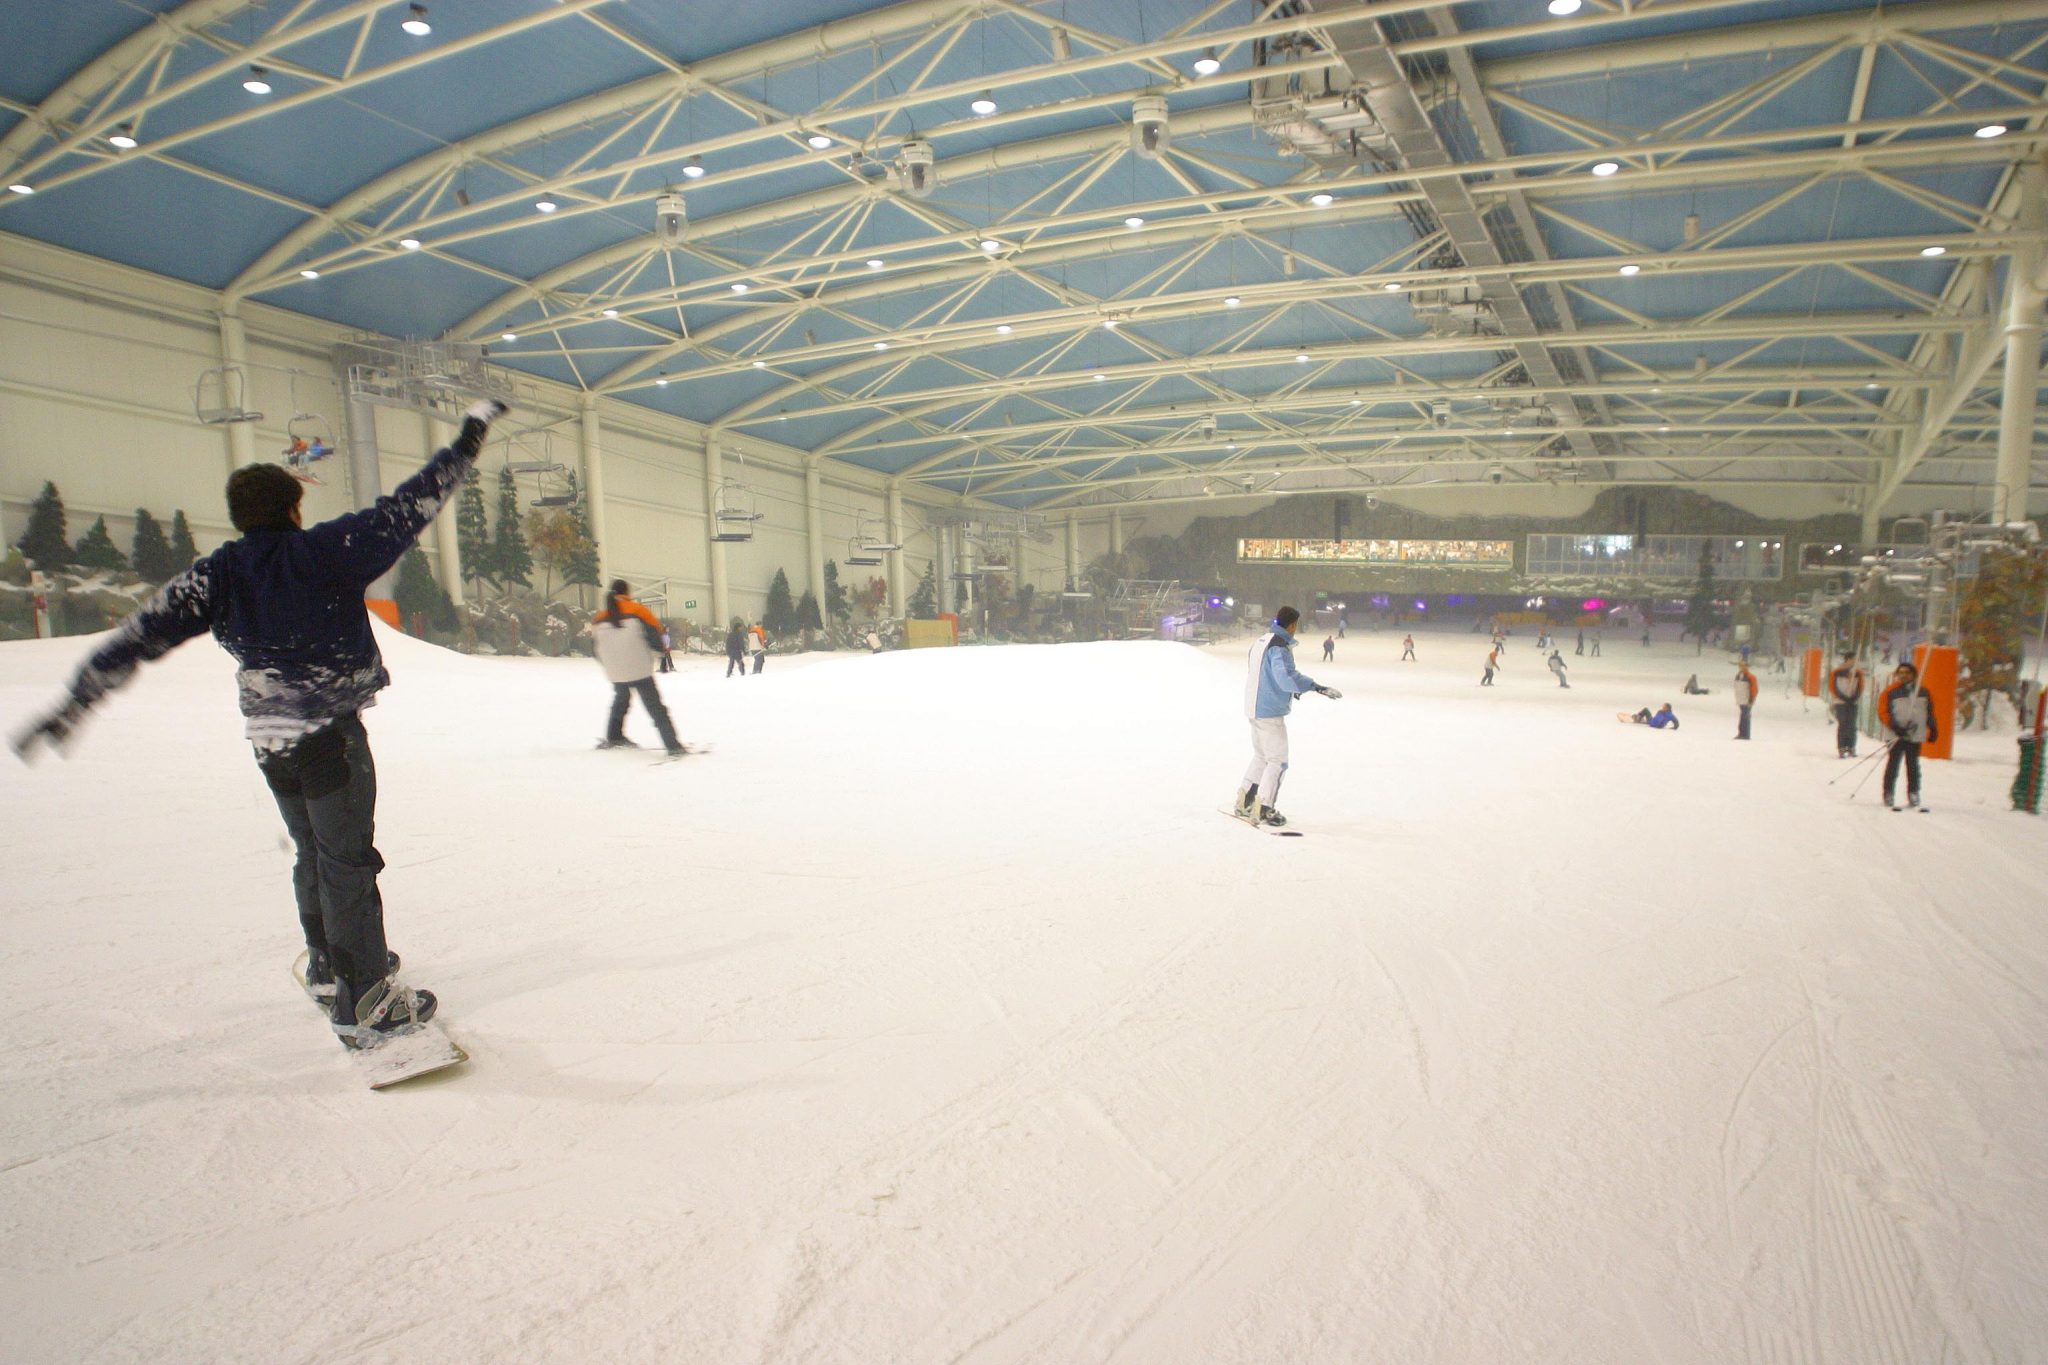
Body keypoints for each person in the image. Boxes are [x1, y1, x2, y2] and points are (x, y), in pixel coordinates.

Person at [9, 399, 509, 1049]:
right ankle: (366, 1003)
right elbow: (413, 503)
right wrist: (468, 439)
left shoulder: (218, 573)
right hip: (329, 736)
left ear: (241, 517)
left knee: (314, 852)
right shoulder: (329, 550)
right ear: (294, 509)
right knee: (346, 860)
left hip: (271, 742)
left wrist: (76, 701)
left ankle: (333, 962)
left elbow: (138, 633)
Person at [1233, 606, 1340, 828]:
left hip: (1253, 707)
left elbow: (1263, 673)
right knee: (1278, 761)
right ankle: (1264, 808)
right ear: (1292, 625)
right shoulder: (1278, 647)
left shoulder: (1261, 641)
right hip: (1269, 711)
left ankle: (1245, 800)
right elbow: (1285, 678)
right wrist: (1313, 686)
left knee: (1261, 756)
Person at [591, 580, 684, 757]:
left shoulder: (599, 618)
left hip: (615, 671)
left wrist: (610, 664)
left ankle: (614, 736)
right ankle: (673, 745)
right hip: (639, 668)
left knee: (621, 700)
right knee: (655, 707)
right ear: (627, 592)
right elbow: (655, 637)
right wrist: (662, 653)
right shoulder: (638, 611)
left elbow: (595, 649)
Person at [1879, 661, 1938, 810]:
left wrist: (1932, 727)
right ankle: (1888, 793)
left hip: (1914, 734)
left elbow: (1929, 712)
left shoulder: (1923, 692)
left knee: (1913, 765)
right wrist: (1895, 727)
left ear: (1913, 675)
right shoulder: (1890, 692)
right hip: (1895, 734)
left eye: (1907, 673)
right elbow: (1883, 712)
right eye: (1901, 673)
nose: (1904, 676)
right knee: (1893, 763)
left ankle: (1914, 792)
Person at [1827, 649, 1864, 757]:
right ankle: (1841, 747)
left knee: (1852, 725)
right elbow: (1833, 687)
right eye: (1853, 659)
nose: (1855, 661)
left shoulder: (1858, 673)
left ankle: (1851, 746)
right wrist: (1842, 697)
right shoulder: (1837, 672)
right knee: (1843, 724)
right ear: (1848, 659)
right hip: (1840, 702)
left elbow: (1860, 686)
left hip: (1853, 702)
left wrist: (1854, 697)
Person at [1733, 660, 1758, 739]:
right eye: (1740, 666)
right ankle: (1741, 733)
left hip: (1747, 700)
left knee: (1745, 717)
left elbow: (1754, 689)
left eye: (1744, 666)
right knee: (1742, 716)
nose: (1742, 668)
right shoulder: (1738, 676)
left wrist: (1751, 699)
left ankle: (1745, 734)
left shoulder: (1751, 677)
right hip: (1741, 700)